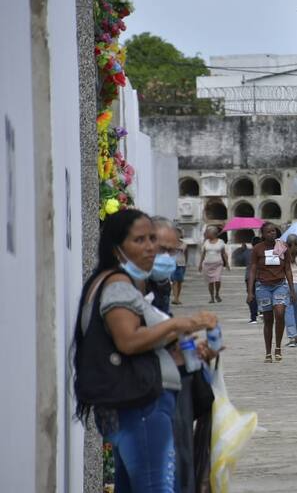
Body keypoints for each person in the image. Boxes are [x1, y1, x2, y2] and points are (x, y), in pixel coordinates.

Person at [72, 209, 216, 491]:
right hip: (141, 404)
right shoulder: (118, 285)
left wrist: (183, 346)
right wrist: (181, 323)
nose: (150, 247)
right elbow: (129, 340)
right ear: (117, 247)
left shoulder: (125, 284)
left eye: (153, 239)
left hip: (140, 402)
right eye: (140, 240)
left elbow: (149, 340)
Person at [150, 216, 220, 493]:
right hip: (151, 393)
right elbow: (140, 335)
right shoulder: (124, 289)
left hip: (172, 384)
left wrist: (190, 344)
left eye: (172, 251)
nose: (167, 258)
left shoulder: (158, 284)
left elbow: (165, 332)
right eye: (162, 250)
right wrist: (184, 327)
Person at [247, 222, 295, 362]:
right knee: (268, 319)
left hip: (280, 285)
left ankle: (278, 347)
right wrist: (250, 292)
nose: (272, 234)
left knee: (280, 313)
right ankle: (268, 351)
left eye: (274, 231)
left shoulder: (282, 247)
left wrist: (291, 289)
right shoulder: (257, 249)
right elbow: (253, 270)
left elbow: (287, 269)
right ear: (262, 234)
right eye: (268, 232)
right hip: (263, 286)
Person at [198, 226, 229, 303]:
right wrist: (200, 264)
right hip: (207, 264)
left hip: (218, 264)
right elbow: (203, 254)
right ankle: (212, 297)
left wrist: (227, 263)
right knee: (210, 282)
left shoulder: (220, 242)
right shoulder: (206, 242)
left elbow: (224, 253)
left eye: (208, 232)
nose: (207, 234)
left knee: (217, 280)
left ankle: (217, 294)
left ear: (214, 234)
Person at [244, 236, 261, 324]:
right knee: (261, 295)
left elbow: (242, 259)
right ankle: (261, 312)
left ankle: (253, 317)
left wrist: (244, 249)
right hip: (260, 276)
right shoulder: (262, 252)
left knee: (251, 295)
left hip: (249, 277)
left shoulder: (248, 252)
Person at [171, 229, 187, 305]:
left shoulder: (184, 244)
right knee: (174, 281)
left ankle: (177, 297)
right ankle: (175, 298)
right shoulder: (170, 243)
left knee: (180, 282)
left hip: (181, 264)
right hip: (172, 264)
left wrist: (186, 264)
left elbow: (185, 252)